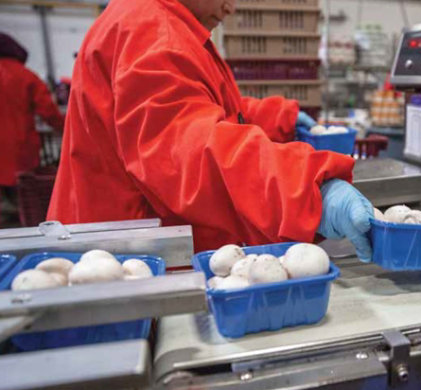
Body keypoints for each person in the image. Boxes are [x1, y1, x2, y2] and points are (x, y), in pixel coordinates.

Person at [47, 0, 374, 261]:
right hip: (123, 259)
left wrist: (276, 117)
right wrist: (307, 189)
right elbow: (187, 151)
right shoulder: (150, 32)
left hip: (120, 239)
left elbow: (197, 109)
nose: (231, 8)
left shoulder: (156, 21)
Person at [0, 32, 64, 211]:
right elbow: (48, 112)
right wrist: (67, 128)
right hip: (19, 149)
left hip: (13, 151)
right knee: (24, 205)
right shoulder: (26, 76)